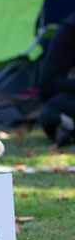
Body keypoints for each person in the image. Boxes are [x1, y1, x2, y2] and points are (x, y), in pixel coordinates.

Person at [38, 13, 75, 147]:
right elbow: (48, 85)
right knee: (54, 108)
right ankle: (65, 128)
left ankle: (68, 128)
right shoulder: (70, 29)